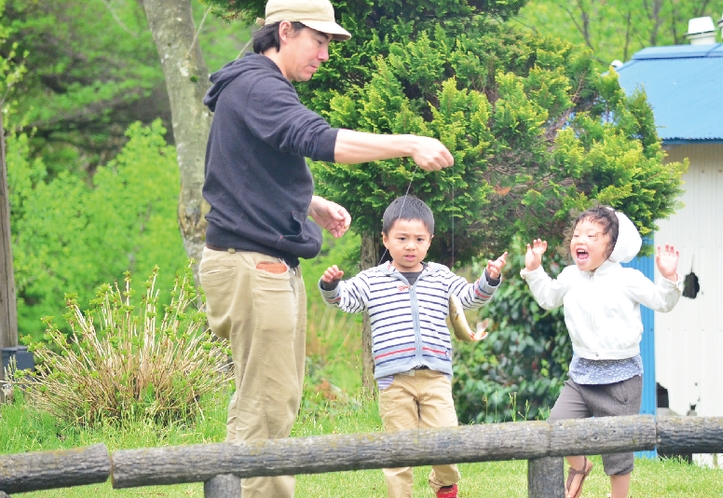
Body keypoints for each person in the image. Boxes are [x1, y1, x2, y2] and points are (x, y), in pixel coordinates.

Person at [197, 0, 455, 495]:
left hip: (263, 263)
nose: (326, 55)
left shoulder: (253, 85)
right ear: (286, 31)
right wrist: (409, 143)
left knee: (275, 400)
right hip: (252, 266)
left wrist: (307, 202)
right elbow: (318, 139)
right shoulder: (258, 85)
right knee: (266, 408)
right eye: (320, 41)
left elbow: (237, 167)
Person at [318, 195, 507, 498]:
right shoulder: (373, 280)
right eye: (402, 238)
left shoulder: (440, 277)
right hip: (394, 382)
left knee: (447, 443)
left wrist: (489, 278)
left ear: (429, 241)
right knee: (398, 453)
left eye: (419, 239)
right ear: (386, 239)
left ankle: (444, 484)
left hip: (435, 377)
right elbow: (346, 300)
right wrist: (332, 285)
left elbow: (470, 297)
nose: (410, 246)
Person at [520, 206, 681, 498]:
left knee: (618, 445)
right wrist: (534, 270)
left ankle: (619, 496)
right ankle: (580, 467)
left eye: (592, 235)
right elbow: (548, 298)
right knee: (558, 426)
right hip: (582, 374)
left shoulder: (627, 279)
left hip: (621, 377)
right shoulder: (570, 276)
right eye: (577, 234)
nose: (581, 240)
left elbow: (662, 302)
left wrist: (669, 278)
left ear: (612, 245)